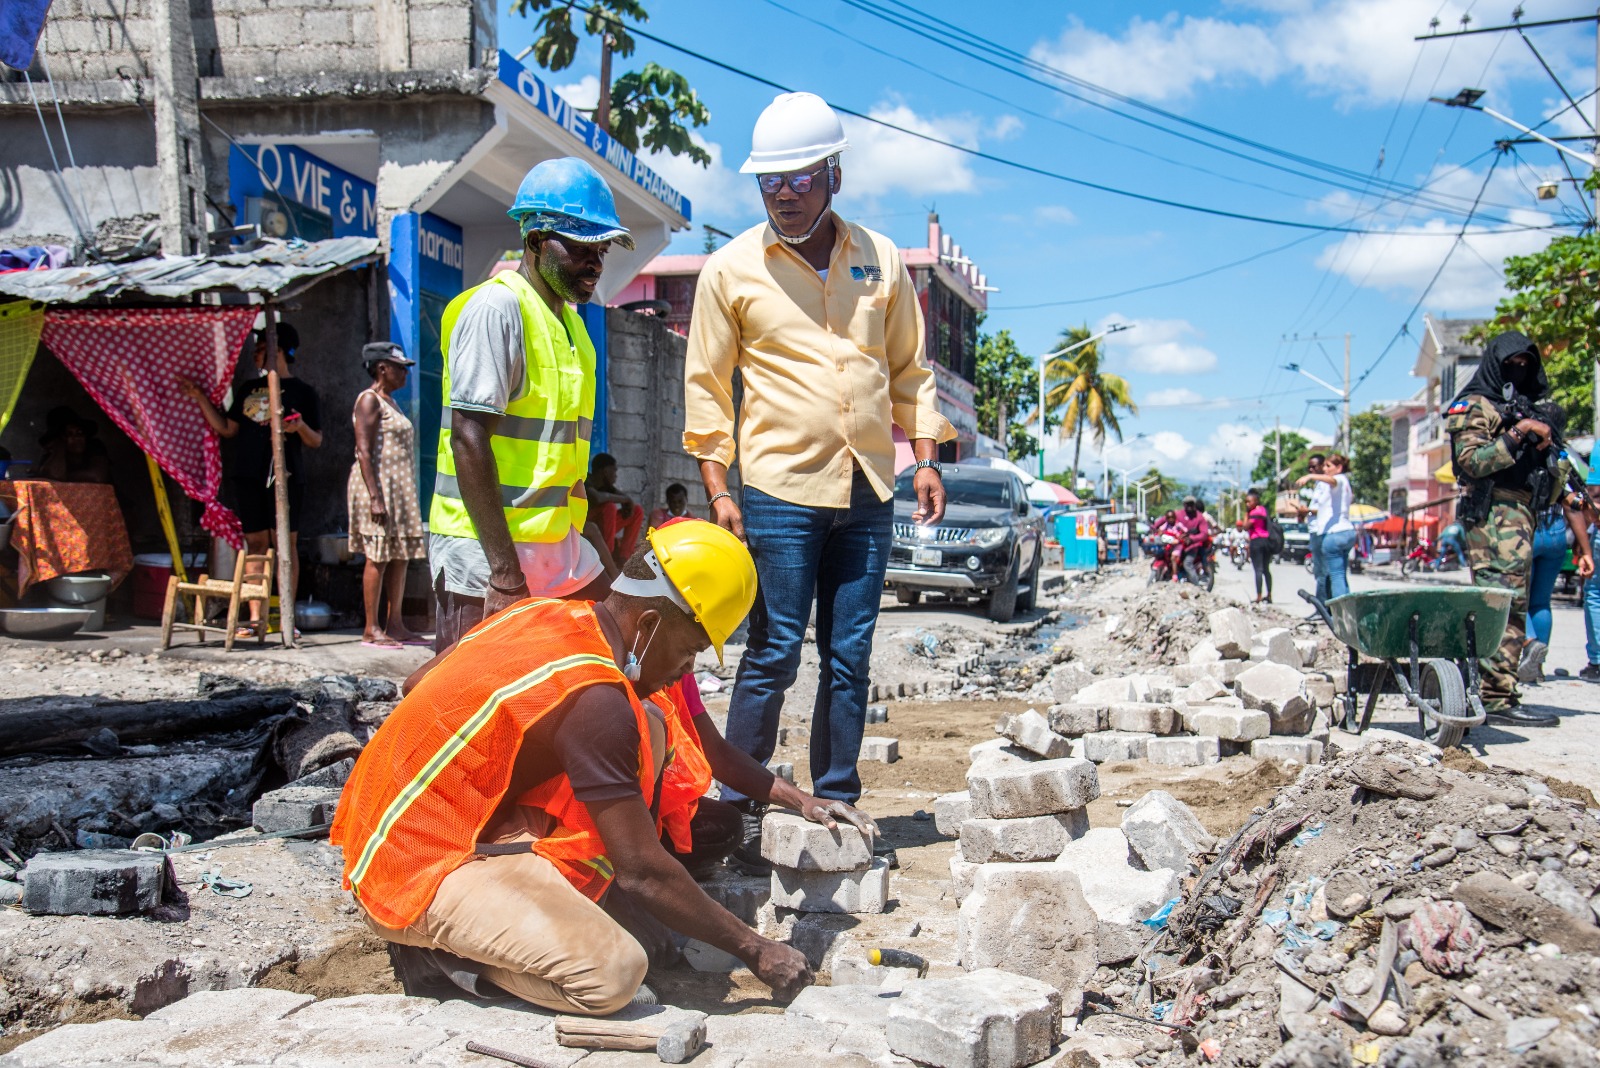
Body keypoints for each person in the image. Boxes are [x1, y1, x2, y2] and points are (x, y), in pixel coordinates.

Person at [332, 520, 874, 1013]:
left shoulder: (546, 613)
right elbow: (641, 871)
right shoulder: (595, 697)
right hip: (413, 866)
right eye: (689, 652)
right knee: (613, 973)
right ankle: (443, 957)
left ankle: (510, 889)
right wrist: (757, 949)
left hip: (393, 824)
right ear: (650, 624)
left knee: (654, 730)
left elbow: (414, 685)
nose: (687, 670)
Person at [682, 91, 955, 864]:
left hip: (868, 488)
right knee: (771, 652)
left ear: (833, 173)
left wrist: (925, 457)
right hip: (777, 493)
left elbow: (907, 366)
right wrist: (719, 490)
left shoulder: (880, 258)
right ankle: (736, 802)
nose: (785, 193)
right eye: (770, 181)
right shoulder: (729, 269)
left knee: (850, 652)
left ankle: (836, 795)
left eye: (800, 178)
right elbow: (708, 386)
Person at [427, 158, 630, 652]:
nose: (596, 264)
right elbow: (468, 436)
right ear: (537, 241)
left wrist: (600, 558)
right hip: (485, 553)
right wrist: (504, 574)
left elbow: (568, 466)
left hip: (554, 549)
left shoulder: (574, 330)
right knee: (474, 709)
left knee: (609, 658)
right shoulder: (496, 310)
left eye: (600, 250)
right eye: (581, 249)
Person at [1445, 329, 1594, 725]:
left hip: (1522, 517)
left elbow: (1545, 476)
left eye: (1529, 363)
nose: (1521, 369)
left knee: (1514, 606)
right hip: (1494, 517)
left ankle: (1501, 691)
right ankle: (1494, 697)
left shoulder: (1525, 408)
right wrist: (1519, 432)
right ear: (1497, 363)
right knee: (1500, 605)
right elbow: (1472, 462)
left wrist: (1572, 499)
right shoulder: (1475, 405)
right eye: (1514, 362)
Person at [180, 322, 322, 632]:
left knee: (286, 544)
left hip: (287, 476)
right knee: (255, 543)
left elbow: (316, 440)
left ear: (278, 350)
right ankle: (256, 618)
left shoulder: (303, 392)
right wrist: (200, 398)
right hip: (249, 474)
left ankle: (287, 617)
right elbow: (228, 429)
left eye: (260, 349)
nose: (256, 355)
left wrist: (298, 428)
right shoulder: (246, 389)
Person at [348, 342, 427, 649]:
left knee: (400, 556)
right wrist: (375, 497)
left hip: (398, 489)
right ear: (382, 368)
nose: (405, 373)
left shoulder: (391, 402)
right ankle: (372, 627)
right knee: (378, 556)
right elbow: (364, 451)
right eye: (400, 367)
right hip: (377, 487)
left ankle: (397, 624)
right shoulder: (369, 401)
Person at [1522, 403, 1575, 684]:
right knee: (1542, 601)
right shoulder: (1565, 455)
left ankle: (1530, 644)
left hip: (1527, 530)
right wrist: (1583, 547)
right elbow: (1573, 505)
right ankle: (1538, 666)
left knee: (1518, 596)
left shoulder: (1530, 451)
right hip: (1556, 533)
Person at [1298, 453, 1356, 601]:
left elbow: (1332, 480)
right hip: (1346, 532)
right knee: (1340, 575)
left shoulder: (1339, 480)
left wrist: (1310, 477)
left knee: (1335, 577)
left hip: (1334, 534)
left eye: (1328, 466)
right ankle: (1348, 613)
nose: (1325, 469)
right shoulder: (1342, 484)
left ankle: (1339, 614)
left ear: (1339, 468)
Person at [585, 452, 643, 562]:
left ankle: (624, 556)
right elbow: (598, 498)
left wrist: (628, 501)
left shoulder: (607, 486)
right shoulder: (586, 480)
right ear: (606, 471)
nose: (616, 475)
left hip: (603, 527)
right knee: (610, 507)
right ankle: (608, 555)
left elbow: (627, 499)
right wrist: (625, 499)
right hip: (587, 526)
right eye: (614, 470)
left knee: (637, 511)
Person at [35, 406, 111, 484]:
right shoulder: (53, 452)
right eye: (68, 434)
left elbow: (97, 477)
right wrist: (59, 448)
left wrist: (64, 477)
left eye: (79, 432)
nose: (76, 438)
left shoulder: (94, 445)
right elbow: (53, 474)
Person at [1172, 497, 1212, 583]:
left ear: (1194, 505)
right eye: (1187, 504)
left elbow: (1204, 533)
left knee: (1187, 563)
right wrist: (1155, 528)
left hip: (1192, 546)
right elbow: (1166, 518)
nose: (1189, 506)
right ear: (1184, 505)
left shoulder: (1199, 517)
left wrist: (1192, 538)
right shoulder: (1179, 514)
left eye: (1191, 504)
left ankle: (1195, 585)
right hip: (1177, 544)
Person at [1245, 488, 1273, 603]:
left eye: (1248, 502)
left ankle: (1259, 596)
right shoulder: (1263, 510)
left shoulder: (1253, 513)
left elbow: (1246, 526)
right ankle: (1269, 594)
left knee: (1258, 570)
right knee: (1266, 569)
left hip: (1256, 542)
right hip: (1267, 541)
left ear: (1255, 501)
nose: (1247, 504)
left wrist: (1246, 514)